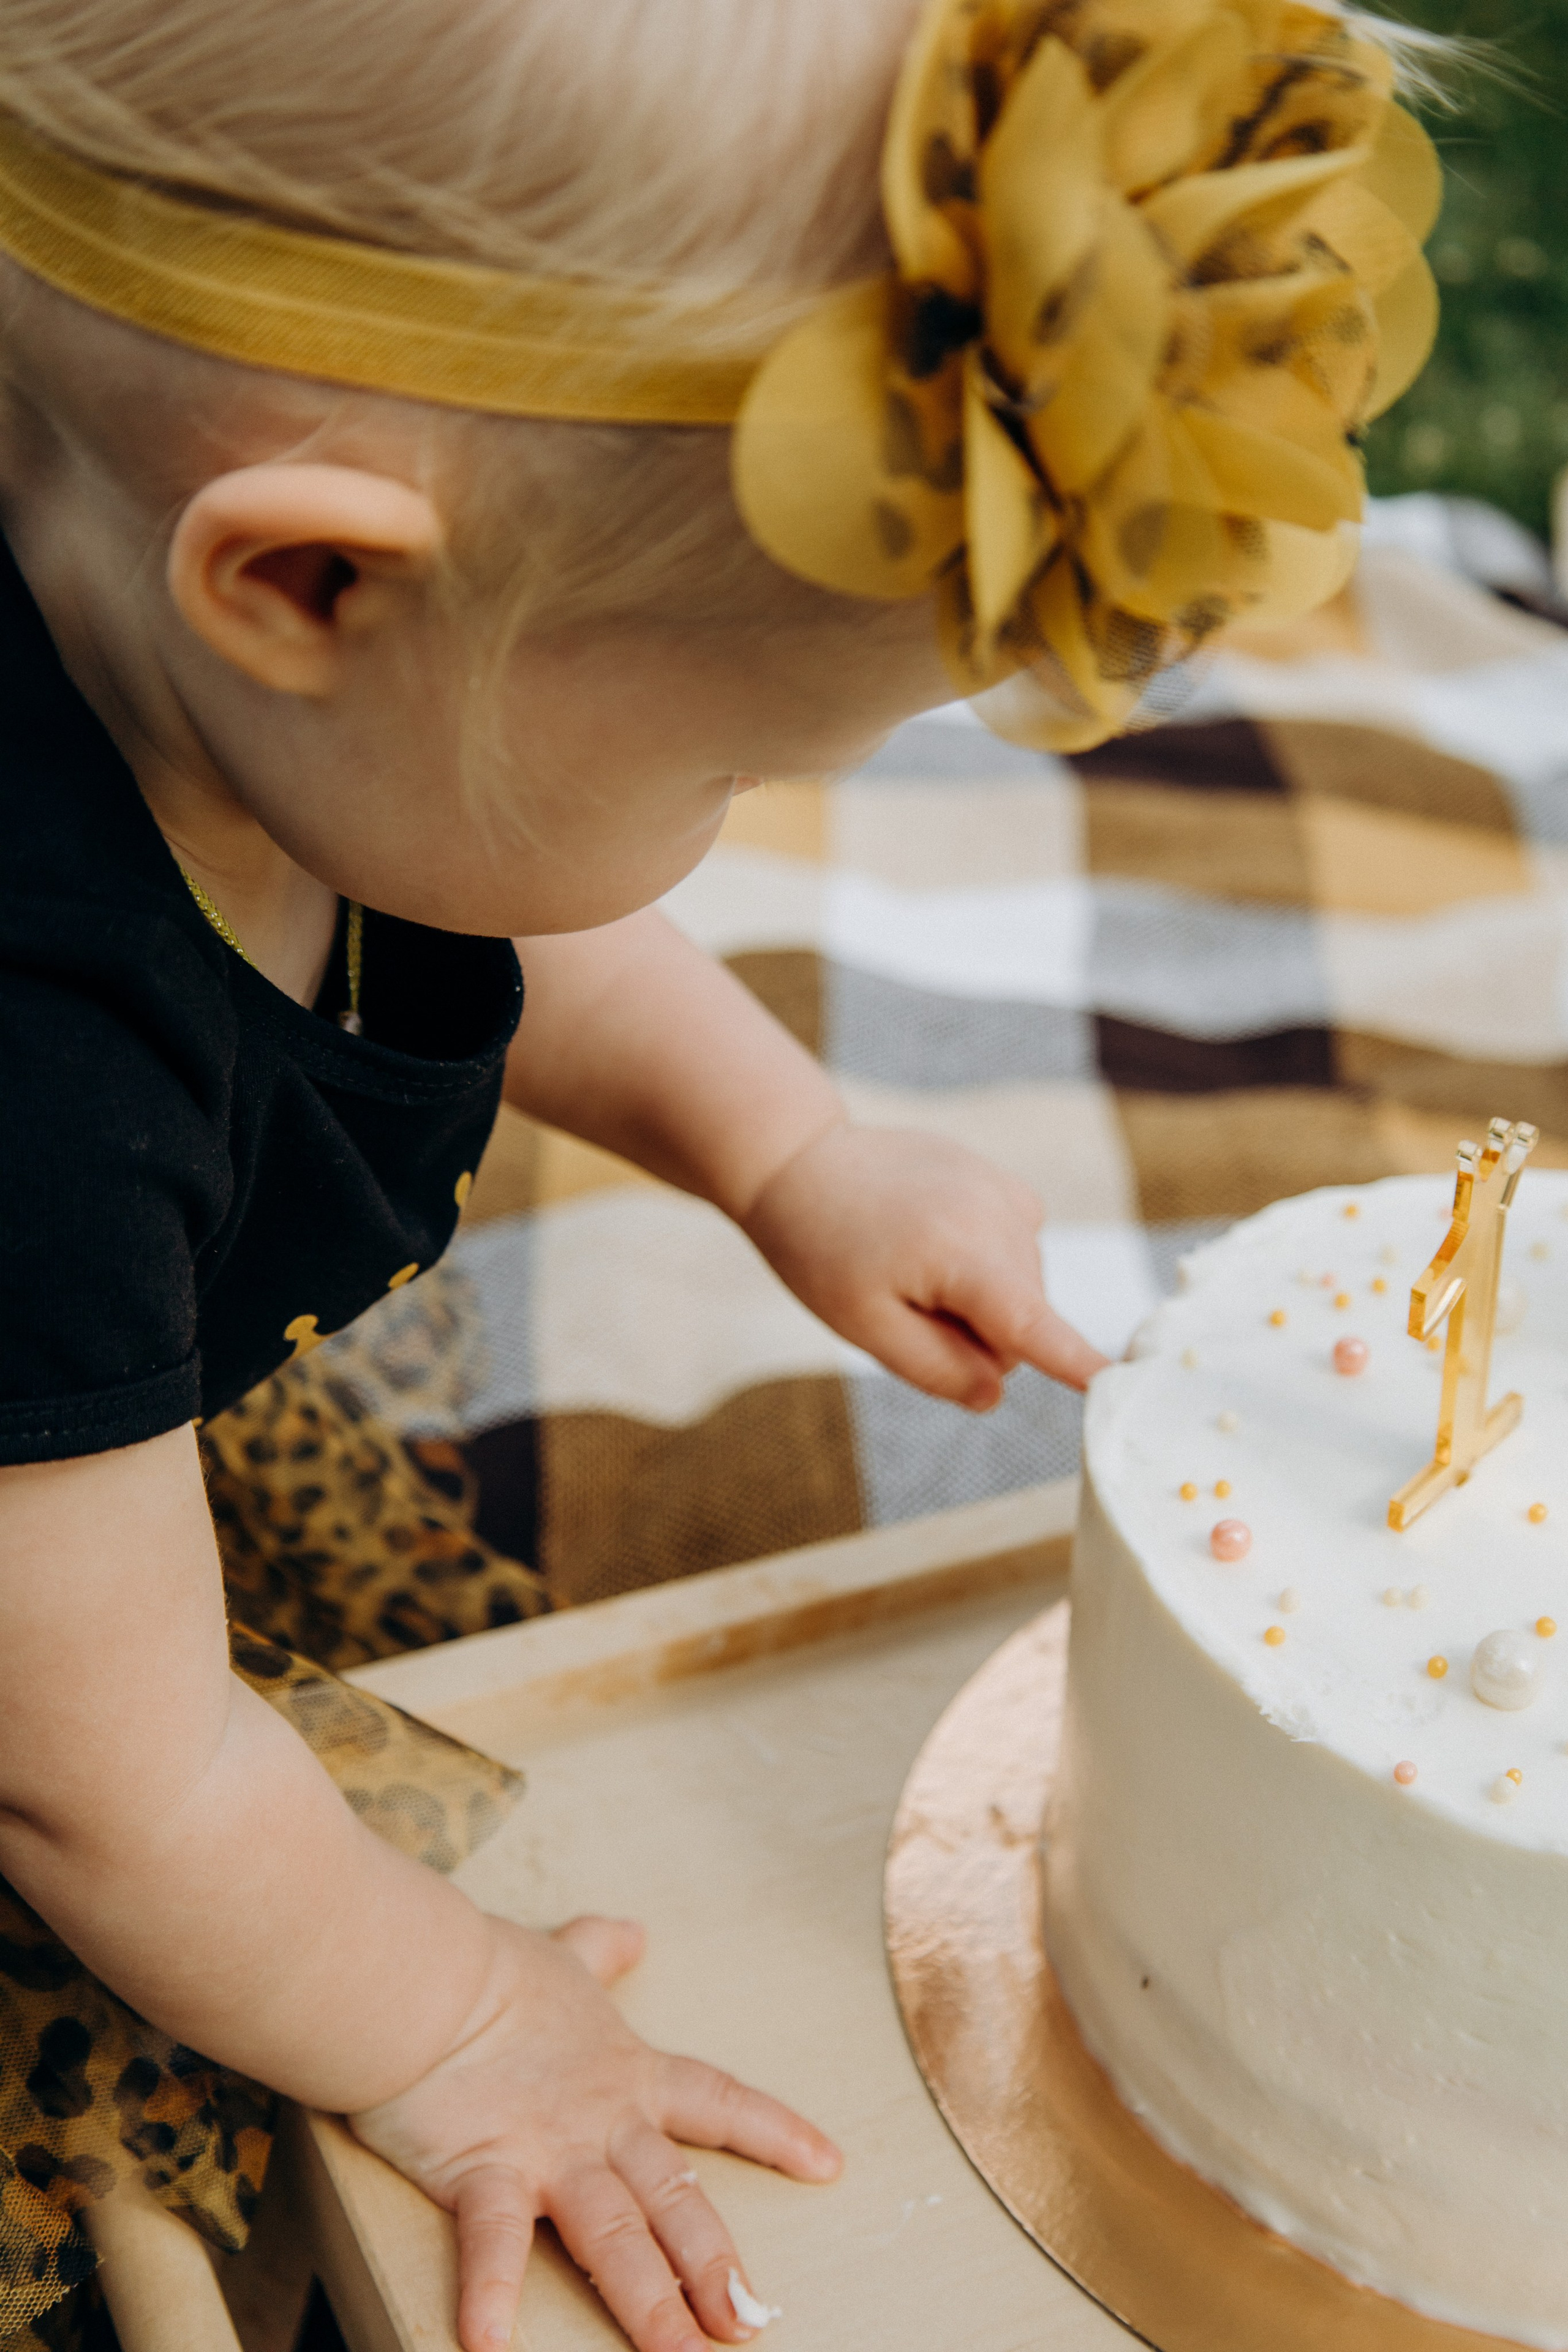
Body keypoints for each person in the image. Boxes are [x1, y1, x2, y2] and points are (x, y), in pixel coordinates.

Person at [0, 1, 1436, 2346]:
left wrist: (794, 1147)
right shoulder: (38, 1100)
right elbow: (103, 1783)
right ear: (313, 587)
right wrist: (456, 2024)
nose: (729, 836)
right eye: (732, 777)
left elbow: (451, 864)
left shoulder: (258, 667)